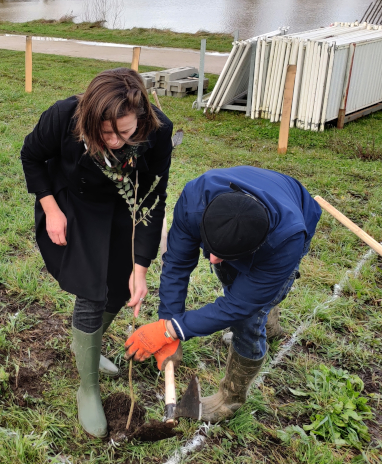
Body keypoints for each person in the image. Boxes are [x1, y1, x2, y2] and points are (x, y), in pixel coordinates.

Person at [20, 68, 173, 438]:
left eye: (126, 132)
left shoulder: (158, 132)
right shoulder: (64, 116)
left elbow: (153, 198)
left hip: (125, 209)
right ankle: (87, 387)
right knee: (92, 290)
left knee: (119, 288)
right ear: (90, 120)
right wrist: (51, 208)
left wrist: (140, 267)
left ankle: (85, 345)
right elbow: (31, 156)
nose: (118, 141)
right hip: (77, 204)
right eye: (107, 133)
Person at [125, 166, 322, 422]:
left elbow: (237, 306)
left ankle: (229, 400)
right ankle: (267, 312)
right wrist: (167, 323)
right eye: (209, 247)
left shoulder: (285, 241)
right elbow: (176, 265)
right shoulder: (195, 200)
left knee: (248, 317)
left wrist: (172, 329)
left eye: (224, 253)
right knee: (231, 276)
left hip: (296, 211)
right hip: (253, 202)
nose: (213, 259)